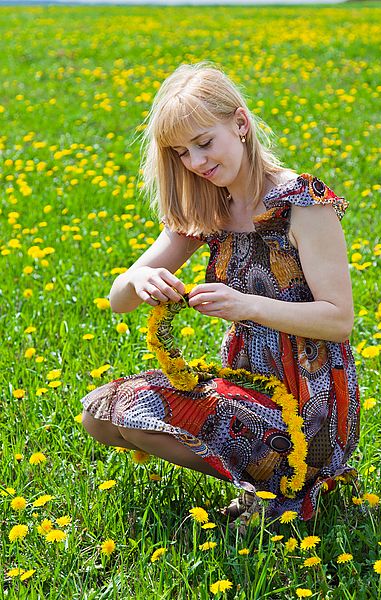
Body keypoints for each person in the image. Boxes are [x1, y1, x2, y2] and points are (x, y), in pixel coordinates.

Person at [80, 61, 360, 522]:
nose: (195, 163)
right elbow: (117, 300)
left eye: (204, 143)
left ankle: (277, 491)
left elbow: (338, 319)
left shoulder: (302, 203)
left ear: (241, 124)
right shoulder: (209, 208)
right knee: (102, 415)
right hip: (245, 387)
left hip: (312, 404)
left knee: (132, 416)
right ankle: (257, 482)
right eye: (181, 153)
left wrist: (246, 305)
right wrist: (137, 280)